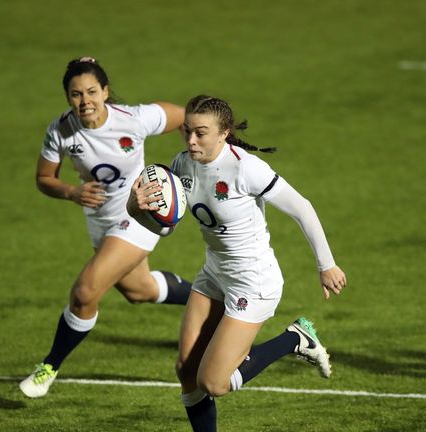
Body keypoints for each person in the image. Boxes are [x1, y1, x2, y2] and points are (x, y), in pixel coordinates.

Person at [129, 95, 346, 431]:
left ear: (224, 133)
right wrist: (135, 207)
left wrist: (326, 264)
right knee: (186, 370)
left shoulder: (245, 168)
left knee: (214, 383)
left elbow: (301, 207)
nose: (190, 140)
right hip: (214, 274)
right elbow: (167, 226)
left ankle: (295, 339)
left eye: (200, 133)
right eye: (187, 131)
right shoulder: (182, 164)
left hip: (254, 283)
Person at [19, 57, 193, 398]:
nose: (85, 101)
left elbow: (187, 117)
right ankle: (212, 297)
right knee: (138, 289)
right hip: (100, 221)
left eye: (92, 92)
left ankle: (49, 366)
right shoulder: (61, 131)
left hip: (139, 214)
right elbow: (43, 178)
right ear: (68, 97)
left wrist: (192, 156)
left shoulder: (134, 118)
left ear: (106, 92)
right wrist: (71, 191)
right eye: (76, 94)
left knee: (85, 292)